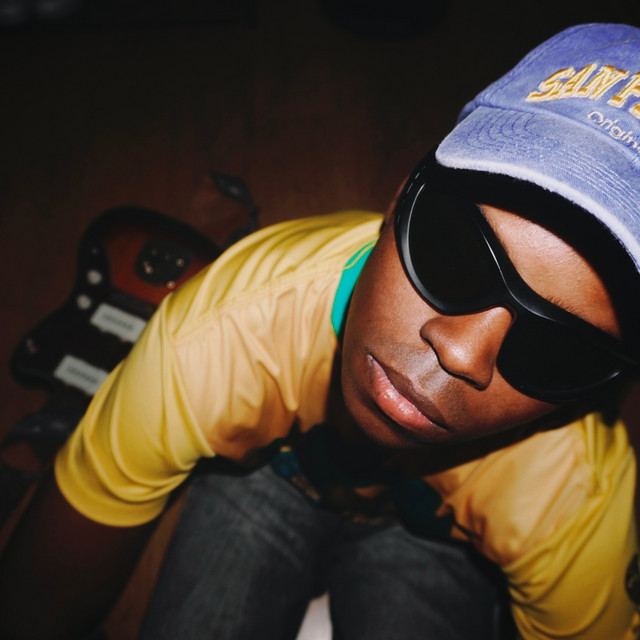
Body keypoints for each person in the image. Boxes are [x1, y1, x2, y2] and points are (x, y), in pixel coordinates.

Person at [2, 22, 640, 640]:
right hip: (267, 474)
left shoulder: (571, 496)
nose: (461, 352)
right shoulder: (225, 330)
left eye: (560, 349)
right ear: (399, 197)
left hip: (434, 539)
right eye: (455, 254)